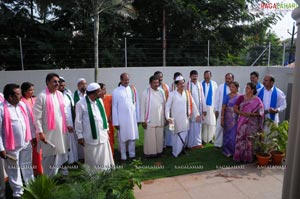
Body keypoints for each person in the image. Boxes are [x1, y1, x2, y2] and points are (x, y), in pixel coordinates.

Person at [0, 84, 35, 198]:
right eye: (18, 94)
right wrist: (1, 148)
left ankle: (31, 186)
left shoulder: (22, 105)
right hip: (11, 146)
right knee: (13, 169)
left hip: (25, 142)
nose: (21, 96)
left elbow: (29, 122)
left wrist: (32, 137)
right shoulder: (1, 108)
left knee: (27, 166)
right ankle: (17, 192)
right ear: (10, 97)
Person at [34, 73, 71, 176]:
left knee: (61, 153)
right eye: (54, 81)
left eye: (58, 81)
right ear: (47, 82)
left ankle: (60, 173)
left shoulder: (59, 94)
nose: (57, 83)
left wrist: (68, 124)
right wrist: (40, 132)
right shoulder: (42, 96)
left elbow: (64, 111)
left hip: (61, 131)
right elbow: (37, 117)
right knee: (49, 155)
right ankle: (48, 179)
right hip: (48, 132)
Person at [75, 83, 114, 170]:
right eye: (99, 91)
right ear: (94, 93)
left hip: (102, 134)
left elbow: (103, 115)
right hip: (90, 137)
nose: (101, 93)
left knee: (104, 157)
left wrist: (107, 128)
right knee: (93, 158)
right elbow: (78, 121)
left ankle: (105, 172)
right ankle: (94, 175)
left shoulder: (99, 101)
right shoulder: (80, 104)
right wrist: (80, 136)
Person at [165, 76, 201, 157]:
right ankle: (175, 152)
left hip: (185, 119)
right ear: (177, 85)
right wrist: (167, 117)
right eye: (180, 83)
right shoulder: (172, 94)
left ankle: (178, 151)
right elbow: (167, 107)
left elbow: (193, 104)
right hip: (172, 119)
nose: (182, 85)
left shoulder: (187, 93)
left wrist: (197, 114)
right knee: (174, 136)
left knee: (184, 135)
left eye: (183, 83)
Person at [233, 82, 264, 163]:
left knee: (250, 140)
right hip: (242, 121)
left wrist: (252, 114)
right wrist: (242, 113)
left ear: (252, 90)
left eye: (248, 88)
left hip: (252, 123)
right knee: (240, 138)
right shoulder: (241, 98)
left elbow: (261, 113)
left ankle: (248, 158)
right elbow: (235, 108)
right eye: (246, 87)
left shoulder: (257, 100)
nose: (246, 89)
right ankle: (239, 157)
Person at [112, 73, 140, 161]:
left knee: (132, 137)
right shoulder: (116, 91)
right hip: (122, 119)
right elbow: (114, 107)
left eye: (128, 80)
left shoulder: (132, 90)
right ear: (121, 80)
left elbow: (136, 104)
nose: (127, 81)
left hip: (132, 118)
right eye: (125, 80)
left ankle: (132, 155)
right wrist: (116, 122)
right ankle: (123, 156)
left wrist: (137, 118)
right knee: (122, 139)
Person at [21, 82, 43, 176]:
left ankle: (39, 170)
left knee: (39, 151)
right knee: (31, 152)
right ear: (24, 91)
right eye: (30, 90)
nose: (32, 91)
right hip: (28, 130)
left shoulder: (34, 99)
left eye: (33, 89)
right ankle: (33, 171)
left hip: (37, 128)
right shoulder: (21, 102)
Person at [140, 75, 166, 157]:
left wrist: (165, 118)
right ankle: (149, 153)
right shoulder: (145, 92)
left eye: (157, 82)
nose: (156, 84)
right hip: (149, 120)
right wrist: (143, 120)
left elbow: (164, 105)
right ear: (150, 83)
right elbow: (142, 107)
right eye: (154, 83)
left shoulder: (161, 91)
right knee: (150, 138)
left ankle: (159, 152)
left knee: (159, 137)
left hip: (160, 118)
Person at [58, 77, 78, 164]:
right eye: (61, 85)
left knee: (72, 140)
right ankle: (65, 160)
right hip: (62, 122)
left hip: (70, 120)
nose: (63, 87)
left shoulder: (68, 94)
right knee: (64, 141)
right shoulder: (56, 96)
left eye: (64, 85)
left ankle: (73, 159)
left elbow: (72, 108)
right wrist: (66, 123)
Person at [186, 70, 207, 149]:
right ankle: (191, 144)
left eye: (196, 76)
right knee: (191, 127)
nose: (194, 77)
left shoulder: (200, 84)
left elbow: (202, 97)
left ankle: (198, 143)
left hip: (199, 108)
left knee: (198, 126)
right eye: (193, 76)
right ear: (190, 76)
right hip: (191, 109)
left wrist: (204, 109)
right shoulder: (187, 85)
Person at [220, 82, 240, 157]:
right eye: (230, 87)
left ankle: (235, 150)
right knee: (228, 134)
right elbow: (223, 108)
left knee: (236, 134)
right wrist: (222, 118)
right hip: (228, 119)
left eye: (233, 87)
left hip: (237, 118)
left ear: (237, 88)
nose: (231, 89)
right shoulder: (227, 96)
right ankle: (227, 151)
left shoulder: (240, 96)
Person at [214, 73, 234, 148]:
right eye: (226, 78)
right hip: (220, 110)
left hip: (231, 112)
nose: (227, 80)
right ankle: (217, 144)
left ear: (232, 79)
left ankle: (228, 144)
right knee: (219, 127)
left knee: (230, 128)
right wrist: (216, 110)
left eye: (229, 78)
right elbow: (216, 99)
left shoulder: (235, 87)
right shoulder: (220, 87)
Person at [154, 71, 171, 148]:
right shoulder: (151, 88)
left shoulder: (166, 86)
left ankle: (169, 143)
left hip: (166, 110)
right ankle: (161, 145)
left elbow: (169, 98)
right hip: (157, 112)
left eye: (161, 77)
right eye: (158, 77)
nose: (160, 79)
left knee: (168, 128)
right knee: (160, 129)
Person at [201, 70, 218, 145]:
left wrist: (216, 107)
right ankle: (203, 139)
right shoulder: (200, 83)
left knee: (211, 123)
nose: (206, 77)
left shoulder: (214, 84)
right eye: (205, 75)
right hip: (202, 106)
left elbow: (216, 96)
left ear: (211, 76)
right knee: (203, 123)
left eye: (208, 76)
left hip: (211, 106)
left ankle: (210, 138)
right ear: (204, 76)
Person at [99, 83, 115, 156]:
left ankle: (111, 155)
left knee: (110, 139)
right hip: (100, 125)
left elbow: (114, 108)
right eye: (103, 89)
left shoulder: (109, 98)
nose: (105, 91)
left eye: (105, 89)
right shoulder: (96, 100)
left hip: (109, 123)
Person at [73, 78, 87, 161]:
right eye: (82, 83)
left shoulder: (88, 94)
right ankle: (80, 157)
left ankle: (87, 156)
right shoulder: (73, 95)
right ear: (78, 85)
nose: (84, 85)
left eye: (85, 83)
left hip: (86, 120)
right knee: (79, 137)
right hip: (78, 119)